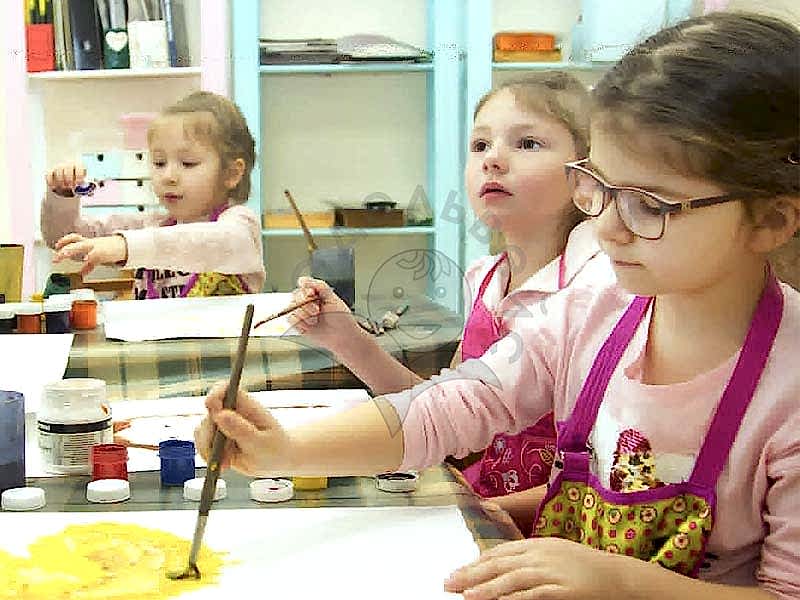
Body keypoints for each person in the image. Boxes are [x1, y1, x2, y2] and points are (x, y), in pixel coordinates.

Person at [196, 12, 800, 599]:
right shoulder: (592, 309)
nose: (609, 228)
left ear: (771, 219)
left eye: (649, 204)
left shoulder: (788, 391)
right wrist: (289, 448)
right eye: (601, 188)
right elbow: (456, 403)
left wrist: (616, 581)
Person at [286, 73, 613, 533]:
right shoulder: (484, 279)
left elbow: (607, 476)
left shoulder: (596, 288)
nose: (493, 159)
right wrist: (346, 338)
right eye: (480, 145)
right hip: (482, 506)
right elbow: (448, 413)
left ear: (587, 176)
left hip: (552, 532)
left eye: (528, 143)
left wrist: (486, 512)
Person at [41, 91, 265, 298]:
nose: (168, 176)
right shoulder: (149, 226)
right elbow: (62, 240)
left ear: (231, 173)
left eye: (188, 163)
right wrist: (62, 195)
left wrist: (124, 247)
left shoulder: (241, 224)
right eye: (159, 163)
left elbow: (216, 242)